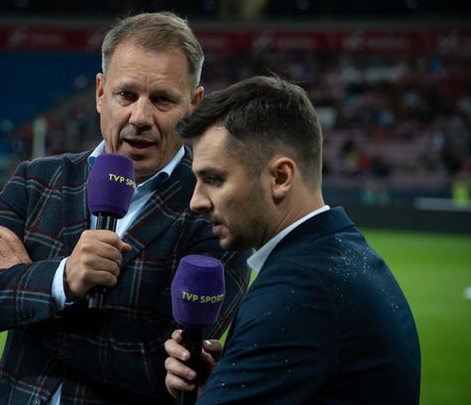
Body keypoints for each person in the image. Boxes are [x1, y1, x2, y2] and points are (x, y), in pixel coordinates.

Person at [0, 12, 251, 405]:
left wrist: (31, 287)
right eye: (126, 95)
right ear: (100, 94)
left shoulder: (217, 214)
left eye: (162, 99)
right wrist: (60, 279)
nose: (140, 117)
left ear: (194, 106)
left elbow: (166, 367)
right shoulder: (38, 180)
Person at [164, 76, 421, 404]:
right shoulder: (347, 253)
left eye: (214, 179)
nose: (196, 201)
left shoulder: (296, 291)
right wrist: (220, 387)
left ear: (280, 178)